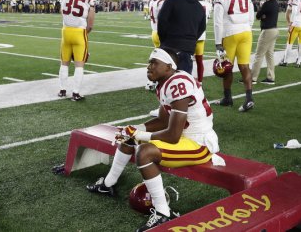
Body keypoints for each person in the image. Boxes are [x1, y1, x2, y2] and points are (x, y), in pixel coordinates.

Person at [87, 48, 223, 232]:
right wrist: (136, 130)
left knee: (145, 152)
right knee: (128, 137)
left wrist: (140, 136)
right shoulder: (167, 82)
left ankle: (162, 213)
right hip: (183, 138)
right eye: (149, 62)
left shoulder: (178, 84)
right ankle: (108, 184)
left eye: (154, 63)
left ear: (168, 66)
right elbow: (162, 120)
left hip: (198, 143)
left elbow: (173, 136)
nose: (149, 66)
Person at [213, 0, 255, 112]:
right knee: (244, 66)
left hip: (230, 33)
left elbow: (218, 21)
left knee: (227, 67)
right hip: (246, 32)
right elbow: (251, 14)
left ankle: (227, 98)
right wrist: (248, 27)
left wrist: (218, 42)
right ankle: (249, 98)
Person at [158, 0, 206, 74]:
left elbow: (162, 20)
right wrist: (191, 40)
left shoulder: (171, 0)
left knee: (167, 80)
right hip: (188, 48)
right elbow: (202, 27)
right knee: (184, 80)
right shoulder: (199, 6)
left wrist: (164, 40)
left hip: (170, 44)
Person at [58, 0, 96, 101]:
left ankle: (62, 91)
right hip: (79, 32)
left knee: (64, 63)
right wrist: (85, 32)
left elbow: (61, 12)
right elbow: (90, 22)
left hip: (65, 31)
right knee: (79, 65)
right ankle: (75, 93)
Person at [251, 0, 279, 85]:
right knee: (269, 55)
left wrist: (262, 16)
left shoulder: (267, 4)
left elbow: (258, 16)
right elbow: (261, 16)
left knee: (259, 54)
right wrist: (263, 16)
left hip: (267, 31)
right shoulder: (276, 3)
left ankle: (252, 78)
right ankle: (271, 77)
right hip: (274, 30)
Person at [194, 0, 211, 84]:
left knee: (186, 60)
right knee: (199, 60)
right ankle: (200, 81)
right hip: (201, 35)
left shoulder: (191, 3)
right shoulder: (207, 4)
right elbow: (208, 17)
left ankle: (186, 81)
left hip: (191, 35)